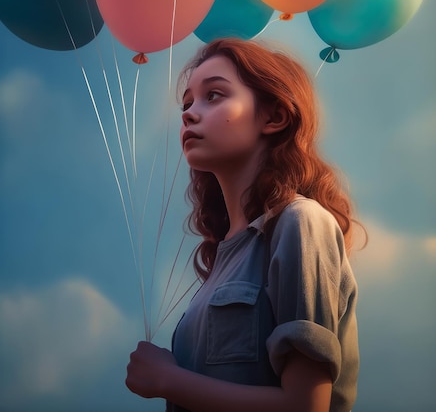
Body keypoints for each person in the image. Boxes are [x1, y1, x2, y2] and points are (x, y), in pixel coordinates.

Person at [126, 37, 362, 412]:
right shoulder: (220, 265)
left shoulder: (301, 223)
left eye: (214, 96)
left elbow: (306, 406)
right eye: (187, 103)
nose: (188, 113)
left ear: (274, 117)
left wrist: (167, 380)